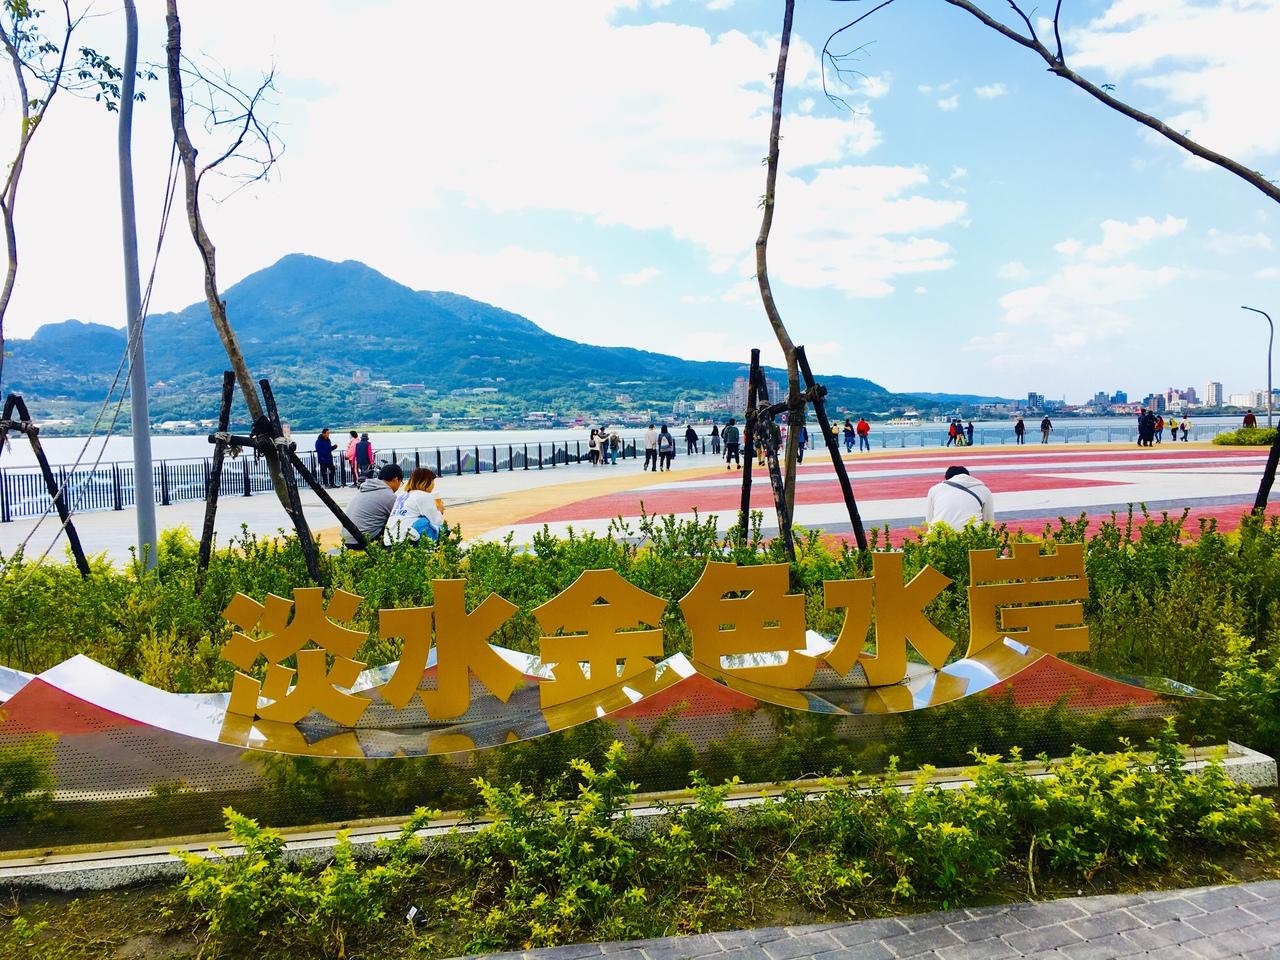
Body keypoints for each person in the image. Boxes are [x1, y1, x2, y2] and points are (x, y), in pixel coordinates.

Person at [344, 463, 402, 549]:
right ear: (396, 479)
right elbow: (399, 519)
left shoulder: (366, 488)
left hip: (347, 539)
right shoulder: (389, 495)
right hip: (363, 541)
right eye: (401, 482)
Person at [385, 467, 445, 545]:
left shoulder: (401, 495)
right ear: (427, 482)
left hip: (389, 541)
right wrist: (440, 509)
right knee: (442, 528)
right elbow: (437, 521)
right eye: (433, 481)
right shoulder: (424, 496)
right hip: (405, 541)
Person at [925, 465, 995, 529]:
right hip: (972, 535)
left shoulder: (935, 489)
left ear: (947, 479)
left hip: (940, 534)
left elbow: (929, 520)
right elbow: (989, 522)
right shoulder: (984, 490)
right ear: (968, 477)